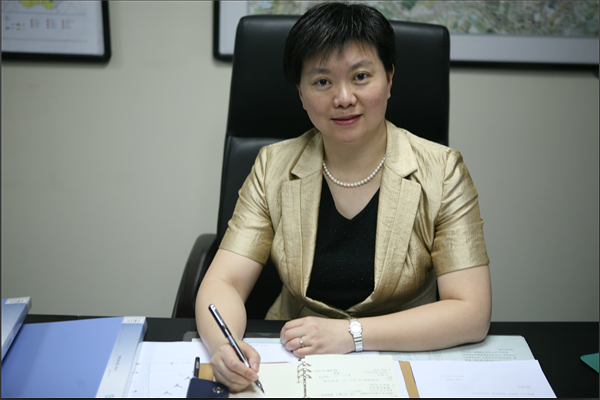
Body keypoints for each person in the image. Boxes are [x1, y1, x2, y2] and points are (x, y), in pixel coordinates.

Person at [196, 2, 491, 393]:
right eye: (322, 82)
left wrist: (351, 334)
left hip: (404, 361)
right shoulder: (273, 166)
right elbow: (224, 282)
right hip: (294, 360)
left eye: (361, 76)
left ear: (389, 79)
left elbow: (471, 312)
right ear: (301, 93)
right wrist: (224, 347)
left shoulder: (443, 171)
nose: (344, 97)